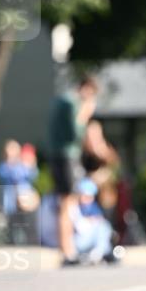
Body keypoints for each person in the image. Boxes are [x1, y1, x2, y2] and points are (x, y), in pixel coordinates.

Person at [47, 76, 98, 265]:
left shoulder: (61, 100)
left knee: (65, 202)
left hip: (58, 155)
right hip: (66, 156)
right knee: (68, 203)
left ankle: (67, 249)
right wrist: (85, 114)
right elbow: (75, 132)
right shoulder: (71, 103)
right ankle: (67, 251)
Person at [68, 177, 114, 264]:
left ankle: (100, 253)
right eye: (85, 196)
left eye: (90, 197)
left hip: (89, 238)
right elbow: (78, 226)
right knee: (103, 227)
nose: (87, 199)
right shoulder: (74, 206)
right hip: (78, 241)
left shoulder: (93, 207)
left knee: (104, 227)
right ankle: (100, 253)